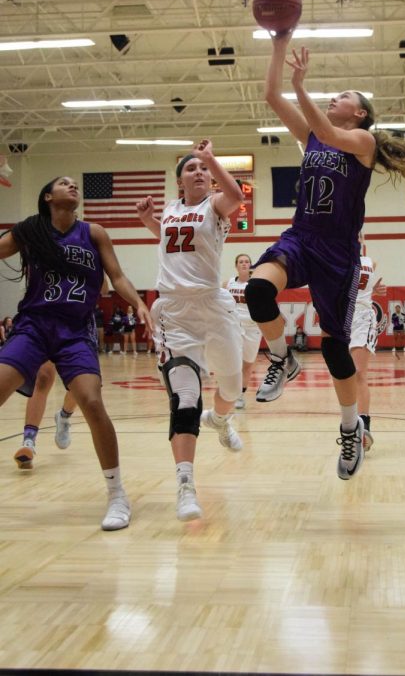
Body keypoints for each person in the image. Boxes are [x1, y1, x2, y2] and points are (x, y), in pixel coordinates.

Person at [243, 33, 405, 480]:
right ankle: (281, 357)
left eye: (343, 96)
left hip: (338, 254)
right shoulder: (313, 138)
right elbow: (270, 95)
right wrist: (279, 43)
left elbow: (327, 131)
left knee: (333, 348)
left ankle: (350, 428)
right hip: (301, 236)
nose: (335, 98)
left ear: (360, 113)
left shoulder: (362, 142)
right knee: (257, 291)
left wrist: (302, 84)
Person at [0, 175, 152, 530]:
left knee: (92, 401)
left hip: (75, 330)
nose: (73, 186)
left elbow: (118, 276)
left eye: (75, 184)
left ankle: (117, 495)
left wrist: (139, 303)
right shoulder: (31, 230)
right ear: (47, 195)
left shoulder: (93, 232)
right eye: (64, 183)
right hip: (34, 324)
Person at [136, 140, 245, 522]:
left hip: (213, 307)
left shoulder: (214, 205)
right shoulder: (169, 210)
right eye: (191, 168)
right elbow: (170, 245)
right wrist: (148, 221)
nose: (199, 172)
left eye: (203, 168)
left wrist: (214, 158)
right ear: (179, 180)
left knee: (232, 389)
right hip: (174, 311)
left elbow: (234, 194)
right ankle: (185, 485)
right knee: (184, 397)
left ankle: (220, 418)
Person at [351, 245, 385, 451]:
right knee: (345, 376)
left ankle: (364, 428)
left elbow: (364, 291)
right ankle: (350, 426)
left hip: (362, 318)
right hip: (339, 320)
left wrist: (373, 290)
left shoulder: (369, 262)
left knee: (359, 373)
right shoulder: (330, 258)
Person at [13, 361, 78, 469]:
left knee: (79, 383)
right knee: (43, 377)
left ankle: (64, 416)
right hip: (49, 343)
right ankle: (29, 441)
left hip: (77, 343)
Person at [225, 252, 262, 410]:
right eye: (241, 261)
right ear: (236, 265)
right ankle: (231, 394)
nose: (244, 264)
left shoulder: (256, 285)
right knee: (234, 362)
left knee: (247, 365)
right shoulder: (228, 284)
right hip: (235, 327)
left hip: (253, 328)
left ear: (250, 265)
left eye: (247, 261)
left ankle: (240, 395)